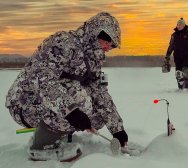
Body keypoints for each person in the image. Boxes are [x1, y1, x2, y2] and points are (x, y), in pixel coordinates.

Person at [5, 12, 128, 161]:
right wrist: (71, 112)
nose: (109, 48)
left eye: (113, 46)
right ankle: (41, 146)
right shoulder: (63, 43)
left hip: (52, 104)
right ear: (96, 33)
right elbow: (42, 79)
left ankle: (55, 135)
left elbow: (99, 93)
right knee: (81, 101)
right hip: (25, 102)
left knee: (97, 116)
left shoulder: (93, 61)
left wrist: (117, 130)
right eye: (108, 42)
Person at [165, 18, 188, 90]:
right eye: (177, 25)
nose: (178, 26)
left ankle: (186, 87)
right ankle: (180, 87)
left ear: (184, 25)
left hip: (187, 55)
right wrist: (167, 55)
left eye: (180, 25)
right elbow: (171, 46)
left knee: (186, 71)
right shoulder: (174, 35)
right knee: (178, 73)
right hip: (177, 56)